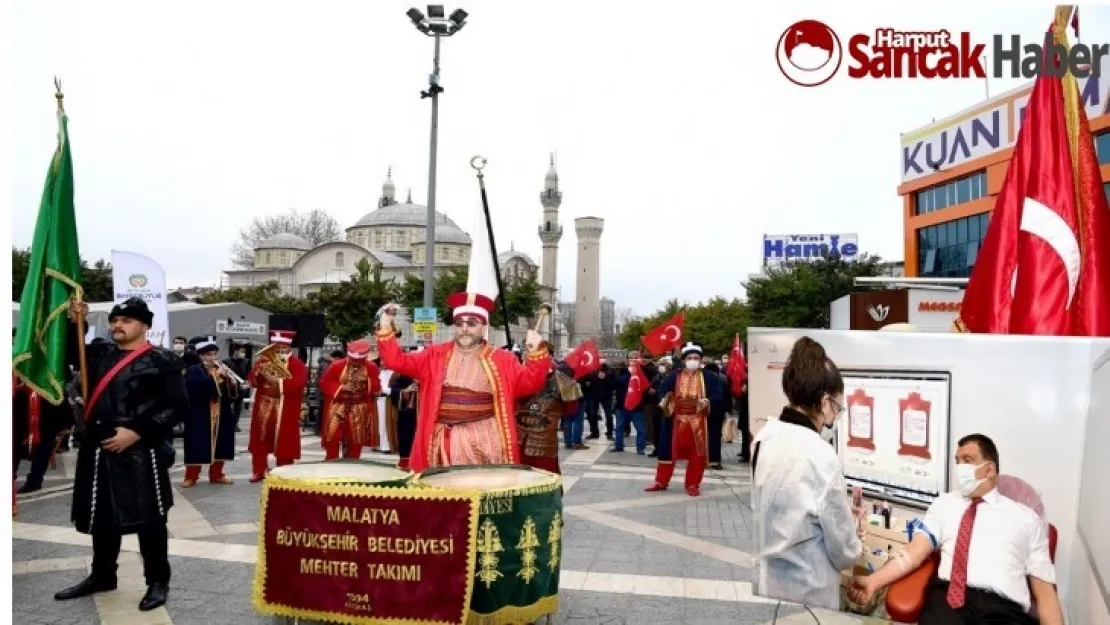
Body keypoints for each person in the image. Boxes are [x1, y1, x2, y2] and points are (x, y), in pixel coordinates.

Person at [55, 297, 188, 612]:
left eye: (126, 320)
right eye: (115, 320)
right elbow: (71, 353)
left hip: (141, 449)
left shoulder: (163, 360)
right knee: (101, 517)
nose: (118, 325)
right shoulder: (100, 353)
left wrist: (138, 431)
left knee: (150, 519)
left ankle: (157, 581)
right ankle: (102, 575)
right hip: (98, 447)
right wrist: (76, 322)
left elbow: (176, 406)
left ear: (144, 326)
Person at [848, 434, 1063, 625]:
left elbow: (1044, 591)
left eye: (968, 461)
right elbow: (912, 554)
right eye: (957, 461)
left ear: (989, 469)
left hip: (1003, 609)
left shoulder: (1026, 518)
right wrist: (872, 581)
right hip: (949, 601)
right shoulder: (945, 504)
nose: (960, 467)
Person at [373, 295, 550, 472]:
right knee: (442, 495)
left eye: (472, 323)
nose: (464, 328)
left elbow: (530, 383)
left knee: (481, 493)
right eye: (459, 323)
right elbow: (396, 361)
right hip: (441, 443)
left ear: (483, 328)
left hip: (485, 441)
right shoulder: (434, 355)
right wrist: (386, 326)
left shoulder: (503, 359)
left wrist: (536, 353)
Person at [750, 336, 862, 610]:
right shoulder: (821, 454)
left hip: (767, 581)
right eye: (837, 407)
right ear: (825, 403)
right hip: (810, 591)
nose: (836, 417)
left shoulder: (763, 438)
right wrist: (856, 530)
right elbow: (845, 553)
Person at [645, 342, 722, 496]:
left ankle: (693, 484)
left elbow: (719, 396)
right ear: (684, 359)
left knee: (697, 453)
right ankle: (661, 481)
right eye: (690, 357)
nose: (693, 360)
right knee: (668, 451)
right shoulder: (674, 375)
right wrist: (665, 400)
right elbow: (663, 390)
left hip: (698, 420)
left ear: (700, 360)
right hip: (676, 419)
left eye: (696, 357)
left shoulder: (710, 377)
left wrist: (707, 401)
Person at [247, 330, 309, 482]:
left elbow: (299, 382)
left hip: (285, 406)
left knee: (284, 439)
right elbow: (252, 381)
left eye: (284, 349)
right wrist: (257, 372)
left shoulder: (297, 364)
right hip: (264, 404)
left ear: (289, 349)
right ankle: (259, 470)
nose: (280, 352)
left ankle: (283, 472)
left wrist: (277, 381)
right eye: (276, 349)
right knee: (260, 438)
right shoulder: (263, 361)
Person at [182, 339, 239, 486]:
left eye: (214, 354)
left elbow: (232, 392)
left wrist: (230, 381)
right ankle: (191, 477)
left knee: (222, 443)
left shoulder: (224, 367)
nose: (213, 357)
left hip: (222, 411)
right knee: (197, 443)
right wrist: (215, 377)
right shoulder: (193, 370)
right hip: (200, 412)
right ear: (201, 356)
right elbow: (194, 388)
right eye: (208, 354)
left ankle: (217, 474)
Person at [516, 344, 580, 474]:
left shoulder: (564, 382)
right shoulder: (519, 376)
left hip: (544, 443)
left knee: (545, 479)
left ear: (549, 356)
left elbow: (571, 410)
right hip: (518, 440)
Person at [318, 340, 381, 461]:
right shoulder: (337, 366)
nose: (356, 364)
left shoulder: (371, 367)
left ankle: (352, 464)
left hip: (359, 407)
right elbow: (324, 382)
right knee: (333, 436)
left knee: (356, 439)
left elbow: (377, 386)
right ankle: (331, 462)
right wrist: (341, 387)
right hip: (338, 405)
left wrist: (366, 382)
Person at [386, 348, 420, 471]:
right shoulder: (402, 374)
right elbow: (393, 390)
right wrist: (405, 392)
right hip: (408, 413)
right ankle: (405, 463)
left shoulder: (431, 372)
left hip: (425, 413)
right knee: (406, 437)